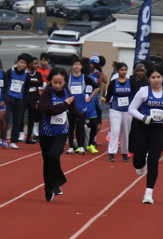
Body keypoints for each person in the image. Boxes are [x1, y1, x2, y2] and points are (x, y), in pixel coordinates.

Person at [128, 64, 163, 204]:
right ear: (149, 78)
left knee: (154, 161)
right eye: (153, 77)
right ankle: (141, 165)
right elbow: (131, 108)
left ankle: (149, 193)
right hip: (142, 128)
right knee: (138, 162)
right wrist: (143, 118)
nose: (156, 80)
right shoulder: (143, 91)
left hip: (159, 130)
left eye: (158, 77)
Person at [38, 67, 81, 201]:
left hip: (61, 132)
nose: (57, 85)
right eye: (54, 82)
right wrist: (64, 104)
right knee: (48, 161)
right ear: (50, 81)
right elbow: (47, 110)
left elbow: (73, 109)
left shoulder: (67, 92)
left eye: (60, 83)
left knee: (53, 155)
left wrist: (83, 116)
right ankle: (49, 189)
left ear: (65, 82)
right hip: (45, 132)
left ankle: (57, 183)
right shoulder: (47, 93)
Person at [65, 57, 96, 154]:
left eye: (78, 64)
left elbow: (97, 87)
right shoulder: (68, 77)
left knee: (81, 127)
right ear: (72, 66)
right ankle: (70, 147)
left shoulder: (85, 77)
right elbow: (63, 88)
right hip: (71, 107)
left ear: (81, 66)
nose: (76, 66)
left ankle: (81, 146)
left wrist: (89, 98)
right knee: (71, 128)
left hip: (82, 107)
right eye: (75, 65)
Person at [104, 62, 133, 162]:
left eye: (125, 70)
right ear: (118, 71)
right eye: (122, 70)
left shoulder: (130, 82)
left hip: (127, 110)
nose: (124, 72)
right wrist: (105, 99)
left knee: (126, 132)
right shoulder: (113, 83)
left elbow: (134, 96)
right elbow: (108, 97)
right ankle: (112, 153)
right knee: (115, 131)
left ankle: (125, 153)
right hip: (115, 109)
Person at [5, 54, 29, 148]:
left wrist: (24, 100)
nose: (22, 65)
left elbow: (26, 88)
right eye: (21, 62)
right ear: (17, 62)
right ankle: (3, 139)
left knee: (17, 121)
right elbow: (6, 85)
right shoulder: (10, 72)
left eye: (24, 63)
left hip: (19, 100)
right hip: (9, 99)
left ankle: (13, 141)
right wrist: (5, 98)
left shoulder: (26, 75)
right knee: (6, 119)